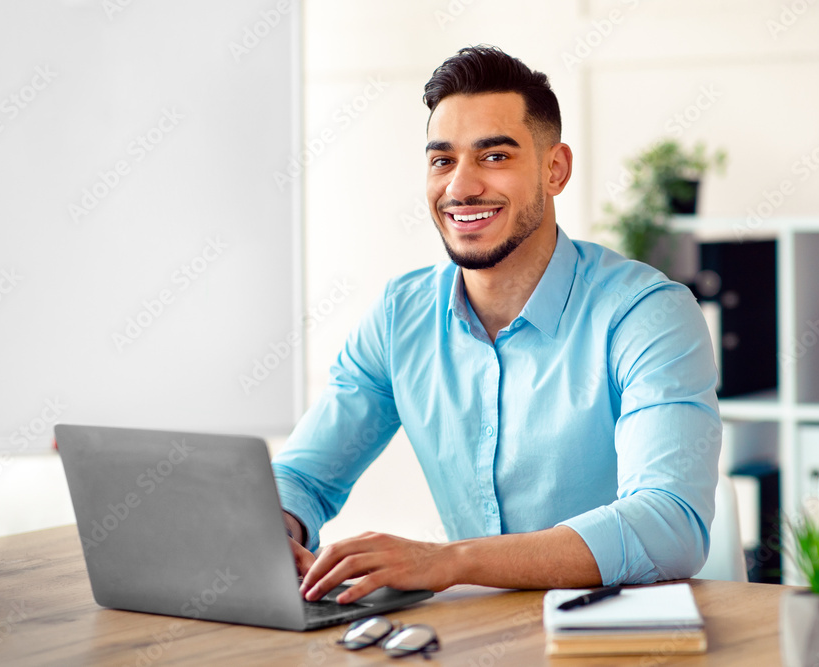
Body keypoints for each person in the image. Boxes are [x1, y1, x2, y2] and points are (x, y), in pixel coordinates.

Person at [272, 45, 721, 605]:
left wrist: (450, 562)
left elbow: (668, 525)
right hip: (475, 632)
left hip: (617, 633)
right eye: (442, 161)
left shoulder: (647, 314)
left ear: (555, 169)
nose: (460, 188)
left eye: (494, 156)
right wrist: (276, 530)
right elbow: (304, 477)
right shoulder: (399, 317)